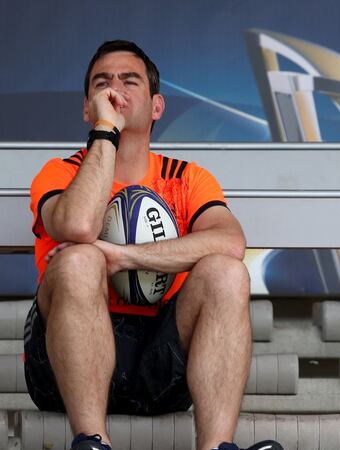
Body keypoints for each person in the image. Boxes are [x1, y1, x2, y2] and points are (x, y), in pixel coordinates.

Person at [25, 40, 282, 450]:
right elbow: (77, 224)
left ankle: (217, 447)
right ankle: (92, 441)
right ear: (87, 108)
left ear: (157, 106)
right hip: (64, 363)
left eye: (130, 81)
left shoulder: (188, 178)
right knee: (79, 260)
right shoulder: (59, 173)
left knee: (226, 273)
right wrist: (106, 130)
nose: (115, 91)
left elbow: (231, 243)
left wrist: (124, 257)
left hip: (161, 360)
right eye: (101, 84)